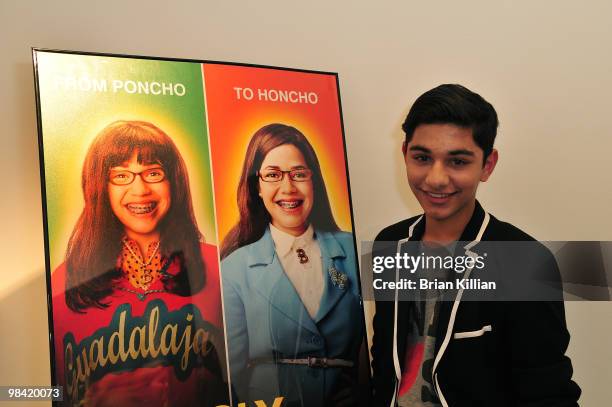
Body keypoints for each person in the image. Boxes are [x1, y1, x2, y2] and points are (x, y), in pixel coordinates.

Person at [370, 85, 581, 406]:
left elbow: (549, 392)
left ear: (487, 165)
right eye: (422, 157)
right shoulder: (388, 244)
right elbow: (385, 361)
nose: (436, 178)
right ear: (405, 154)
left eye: (457, 161)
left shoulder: (524, 261)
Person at [51, 120, 228, 407]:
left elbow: (250, 374)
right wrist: (89, 400)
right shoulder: (63, 283)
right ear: (100, 187)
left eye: (153, 173)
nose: (140, 189)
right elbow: (28, 392)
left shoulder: (220, 266)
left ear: (175, 181)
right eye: (121, 176)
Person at [220, 123, 367, 406]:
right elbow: (232, 374)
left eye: (299, 174)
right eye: (273, 175)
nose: (288, 188)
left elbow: (382, 345)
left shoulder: (355, 250)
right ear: (257, 187)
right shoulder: (233, 269)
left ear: (315, 181)